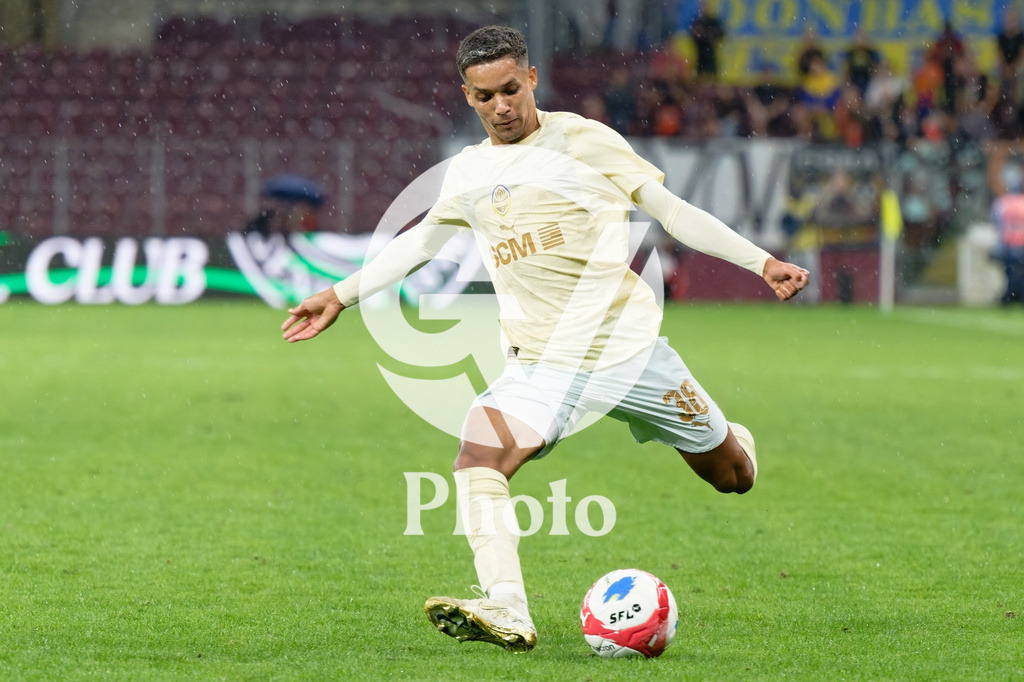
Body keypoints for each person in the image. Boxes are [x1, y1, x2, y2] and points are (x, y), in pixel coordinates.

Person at [281, 26, 809, 653]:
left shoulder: (583, 140)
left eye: (510, 89)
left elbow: (671, 211)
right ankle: (506, 607)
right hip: (541, 363)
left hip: (628, 351)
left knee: (733, 477)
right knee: (478, 459)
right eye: (484, 97)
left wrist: (760, 262)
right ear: (467, 97)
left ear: (531, 80)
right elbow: (419, 245)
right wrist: (339, 294)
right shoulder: (469, 173)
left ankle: (733, 438)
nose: (501, 107)